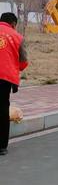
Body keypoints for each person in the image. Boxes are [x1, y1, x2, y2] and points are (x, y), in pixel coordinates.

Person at [0, 12, 28, 155]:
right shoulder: (17, 37)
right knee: (3, 108)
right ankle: (2, 146)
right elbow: (23, 62)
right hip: (5, 78)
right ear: (13, 24)